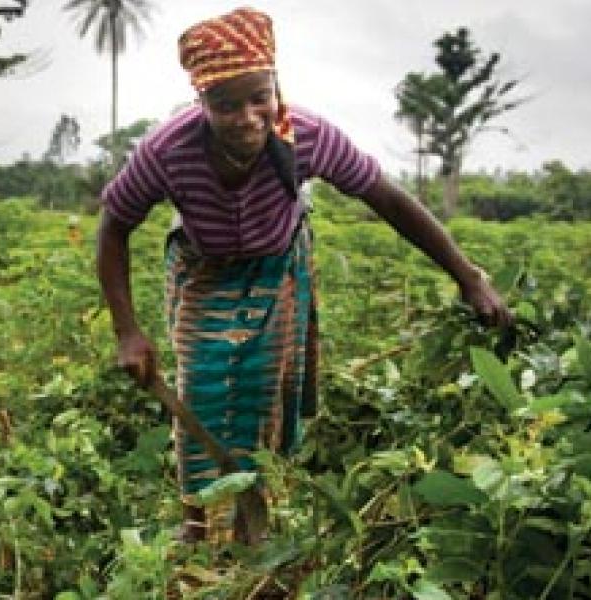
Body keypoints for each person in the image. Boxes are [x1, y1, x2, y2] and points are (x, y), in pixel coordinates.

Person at [95, 7, 512, 543]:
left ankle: (257, 515)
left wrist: (468, 276)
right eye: (225, 104)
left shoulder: (310, 138)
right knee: (201, 385)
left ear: (276, 87)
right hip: (205, 268)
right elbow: (114, 227)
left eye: (258, 98)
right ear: (201, 103)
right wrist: (127, 331)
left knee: (265, 389)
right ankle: (198, 525)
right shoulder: (166, 150)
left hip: (277, 264)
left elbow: (386, 198)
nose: (246, 117)